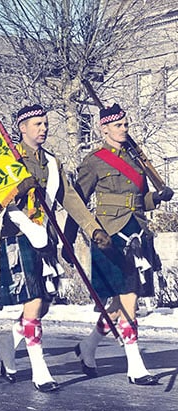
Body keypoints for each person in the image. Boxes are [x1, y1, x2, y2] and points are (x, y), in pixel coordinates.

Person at [0, 104, 111, 392]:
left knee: (43, 304)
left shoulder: (51, 162)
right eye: (37, 124)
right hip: (18, 234)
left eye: (45, 123)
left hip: (47, 235)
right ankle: (39, 369)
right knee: (33, 303)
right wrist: (17, 189)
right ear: (22, 128)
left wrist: (92, 227)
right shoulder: (9, 158)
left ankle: (8, 344)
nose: (43, 128)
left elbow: (69, 198)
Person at [62, 103, 174, 386]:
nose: (124, 129)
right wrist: (69, 236)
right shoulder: (94, 161)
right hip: (109, 236)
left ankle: (88, 346)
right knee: (129, 300)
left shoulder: (137, 161)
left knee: (119, 303)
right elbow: (78, 201)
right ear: (105, 128)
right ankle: (135, 365)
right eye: (119, 125)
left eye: (126, 124)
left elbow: (141, 202)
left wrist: (159, 197)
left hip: (137, 234)